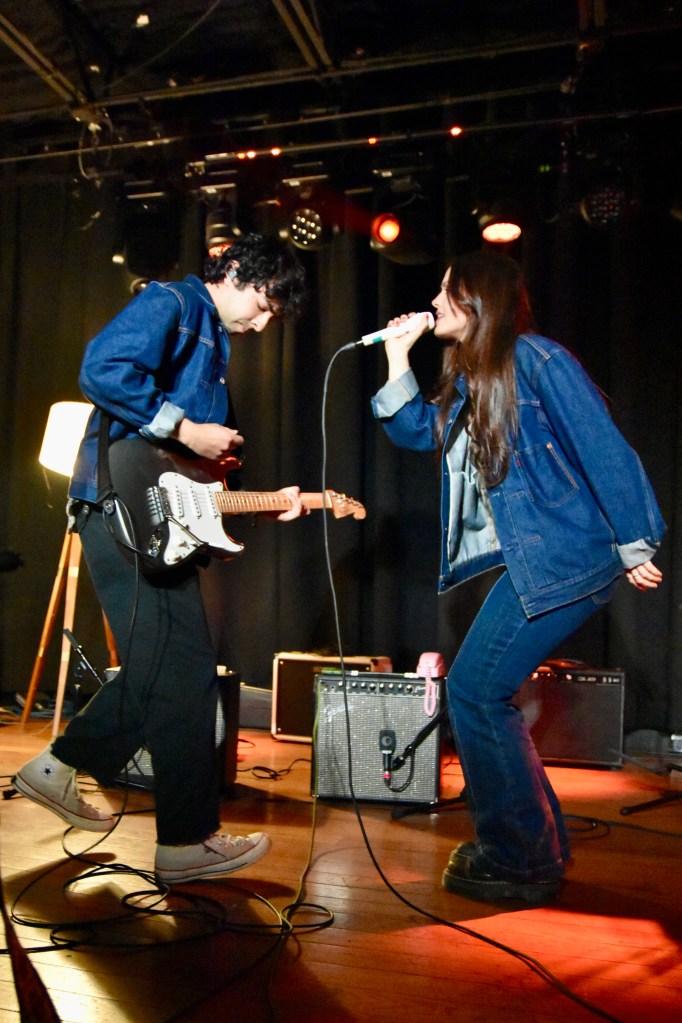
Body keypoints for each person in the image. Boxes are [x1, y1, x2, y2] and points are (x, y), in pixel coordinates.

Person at [371, 250, 665, 906]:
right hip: (545, 560)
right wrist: (396, 354)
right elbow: (418, 430)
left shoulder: (537, 359)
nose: (435, 301)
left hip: (569, 556)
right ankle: (536, 846)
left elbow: (602, 445)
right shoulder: (475, 378)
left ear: (479, 299)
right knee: (483, 694)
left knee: (475, 692)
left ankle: (520, 856)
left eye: (448, 291)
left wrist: (634, 538)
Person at [15, 233, 308, 884]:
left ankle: (65, 772)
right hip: (120, 512)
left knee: (174, 668)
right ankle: (182, 838)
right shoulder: (176, 303)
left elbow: (188, 480)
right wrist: (185, 427)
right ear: (235, 270)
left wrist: (256, 503)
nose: (264, 324)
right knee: (181, 670)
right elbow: (103, 367)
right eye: (263, 304)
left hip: (147, 517)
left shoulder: (213, 341)